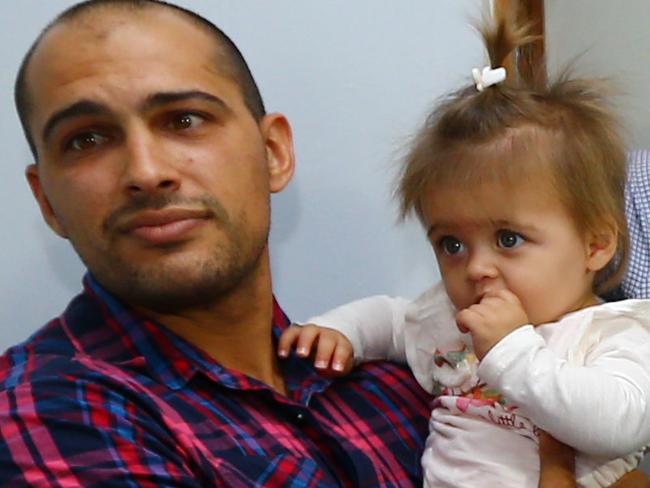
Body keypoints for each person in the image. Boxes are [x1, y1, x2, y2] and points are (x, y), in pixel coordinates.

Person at [0, 0, 642, 486]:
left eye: (184, 119)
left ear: (274, 152)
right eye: (86, 138)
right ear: (47, 200)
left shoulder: (389, 383)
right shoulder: (57, 410)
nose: (146, 171)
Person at [278, 11, 650, 488]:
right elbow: (393, 320)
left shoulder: (615, 334)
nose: (476, 267)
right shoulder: (449, 320)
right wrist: (339, 331)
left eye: (508, 239)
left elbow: (619, 424)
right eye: (451, 243)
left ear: (595, 244)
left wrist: (512, 350)